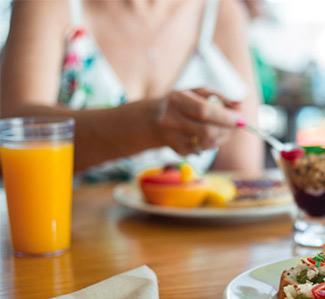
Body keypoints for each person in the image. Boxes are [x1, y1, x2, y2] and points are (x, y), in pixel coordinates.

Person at [0, 0, 264, 178]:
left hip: (189, 253)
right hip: (66, 243)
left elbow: (242, 174)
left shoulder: (221, 12)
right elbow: (15, 129)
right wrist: (147, 123)